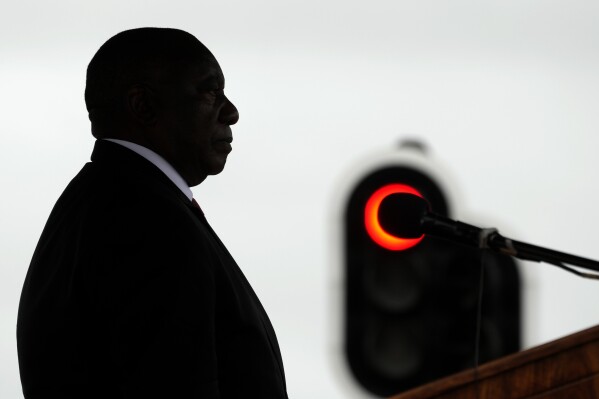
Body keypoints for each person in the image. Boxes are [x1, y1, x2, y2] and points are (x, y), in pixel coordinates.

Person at [17, 27, 288, 399]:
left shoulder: (102, 203)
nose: (231, 112)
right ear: (143, 106)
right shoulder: (146, 223)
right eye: (210, 91)